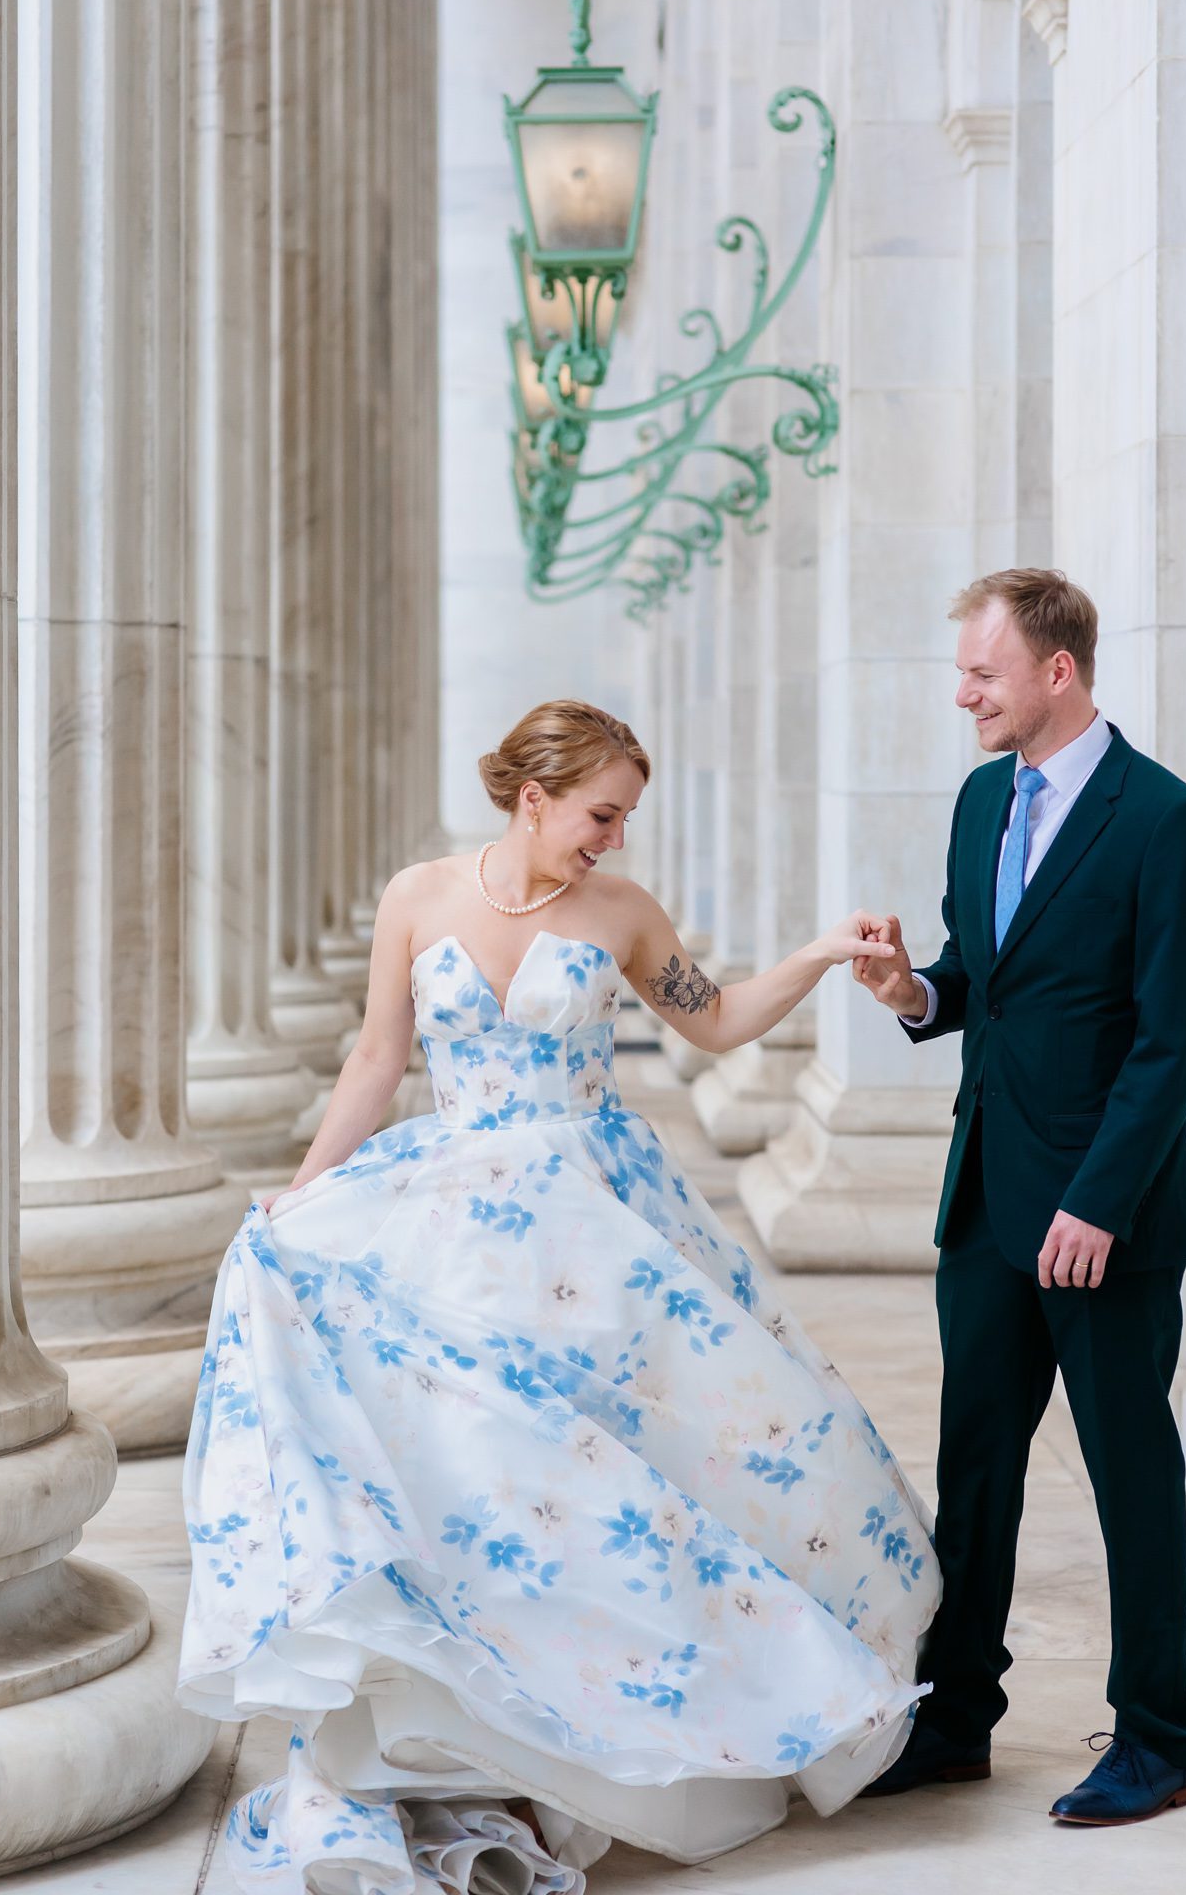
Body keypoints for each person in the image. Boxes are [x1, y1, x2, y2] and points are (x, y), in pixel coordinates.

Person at [178, 699, 940, 1894]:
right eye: (602, 812)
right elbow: (378, 1057)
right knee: (473, 1479)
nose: (615, 837)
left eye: (626, 815)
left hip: (595, 1219)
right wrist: (301, 1193)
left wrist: (820, 952)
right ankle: (468, 1736)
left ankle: (591, 1732)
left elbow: (719, 1020)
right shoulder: (417, 894)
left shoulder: (623, 915)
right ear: (534, 795)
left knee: (607, 1482)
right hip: (449, 1216)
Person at [855, 570, 1186, 1826]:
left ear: (1055, 672)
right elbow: (984, 979)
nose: (963, 693)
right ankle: (957, 1718)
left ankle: (1157, 1740)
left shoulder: (1167, 821)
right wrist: (914, 992)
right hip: (987, 1201)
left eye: (982, 673)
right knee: (976, 1471)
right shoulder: (978, 798)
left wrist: (1099, 1201)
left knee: (1129, 1475)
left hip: (1105, 1217)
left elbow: (1170, 1041)